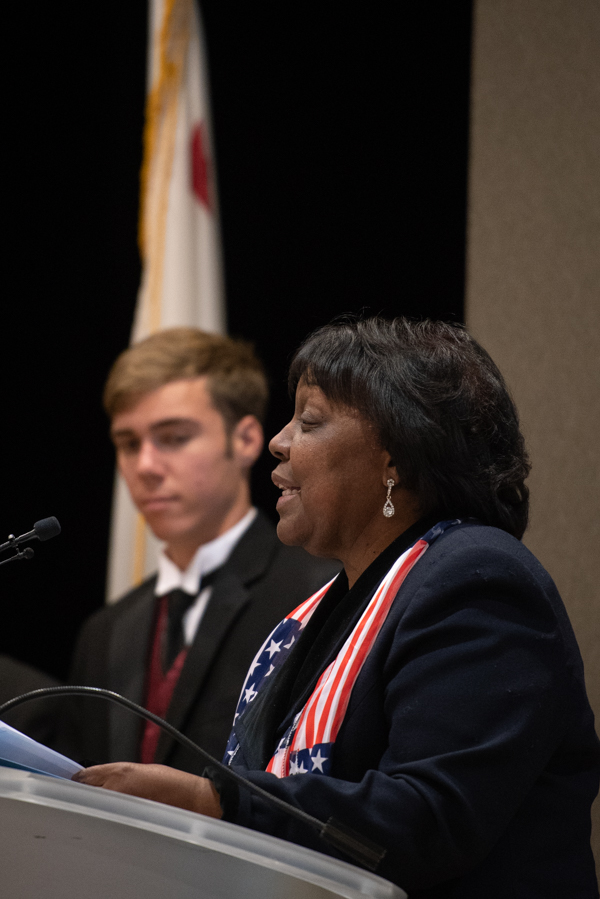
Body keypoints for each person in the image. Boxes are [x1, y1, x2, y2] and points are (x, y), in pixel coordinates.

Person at [73, 318, 599, 897]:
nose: (279, 441)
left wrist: (213, 800)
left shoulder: (478, 580)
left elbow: (429, 819)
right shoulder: (332, 607)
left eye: (310, 421)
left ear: (396, 456)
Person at [63, 327, 338, 771]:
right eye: (129, 444)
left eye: (174, 437)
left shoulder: (318, 592)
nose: (146, 466)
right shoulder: (104, 632)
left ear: (246, 440)